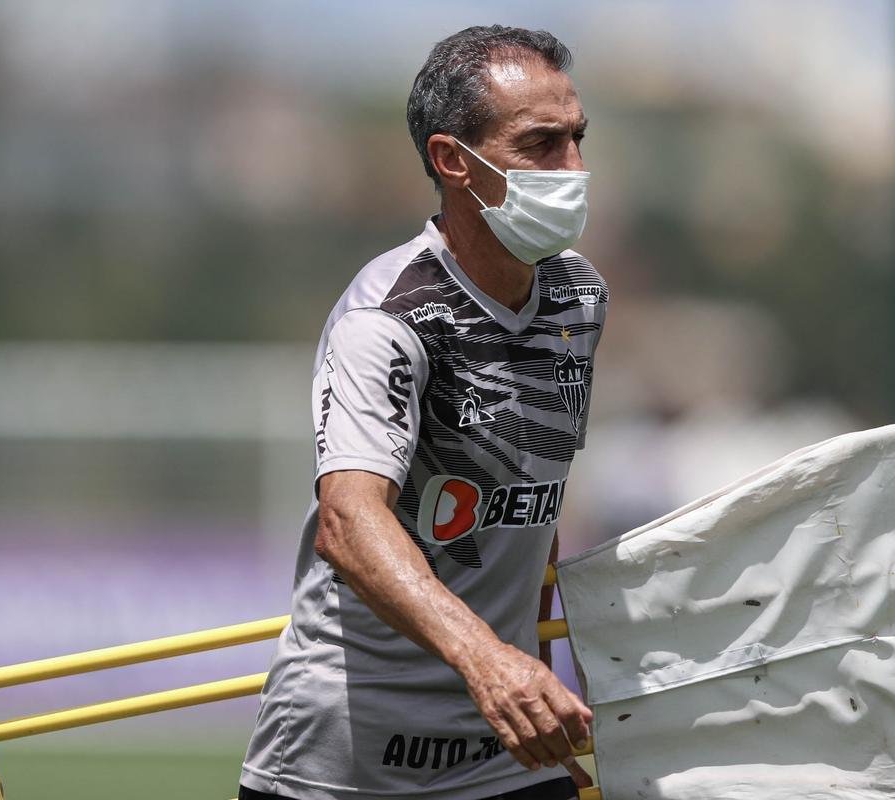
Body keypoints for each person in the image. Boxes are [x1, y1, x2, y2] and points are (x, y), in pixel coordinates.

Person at [238, 25, 608, 800]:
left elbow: (532, 507)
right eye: (540, 145)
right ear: (452, 161)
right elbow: (347, 522)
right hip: (343, 767)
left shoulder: (579, 297)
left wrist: (530, 681)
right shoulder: (388, 317)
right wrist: (490, 662)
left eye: (577, 139)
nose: (573, 169)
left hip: (502, 752)